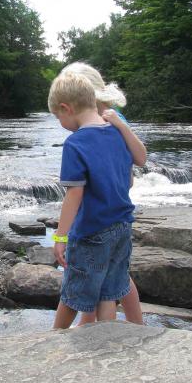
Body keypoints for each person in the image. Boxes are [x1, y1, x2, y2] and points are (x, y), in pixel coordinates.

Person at [48, 71, 143, 328]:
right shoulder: (117, 132)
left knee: (74, 292)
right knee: (108, 292)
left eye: (58, 117)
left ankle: (53, 340)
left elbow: (74, 194)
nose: (59, 122)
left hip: (91, 231)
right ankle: (105, 342)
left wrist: (60, 236)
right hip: (122, 226)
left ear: (66, 108)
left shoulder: (75, 143)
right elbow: (130, 176)